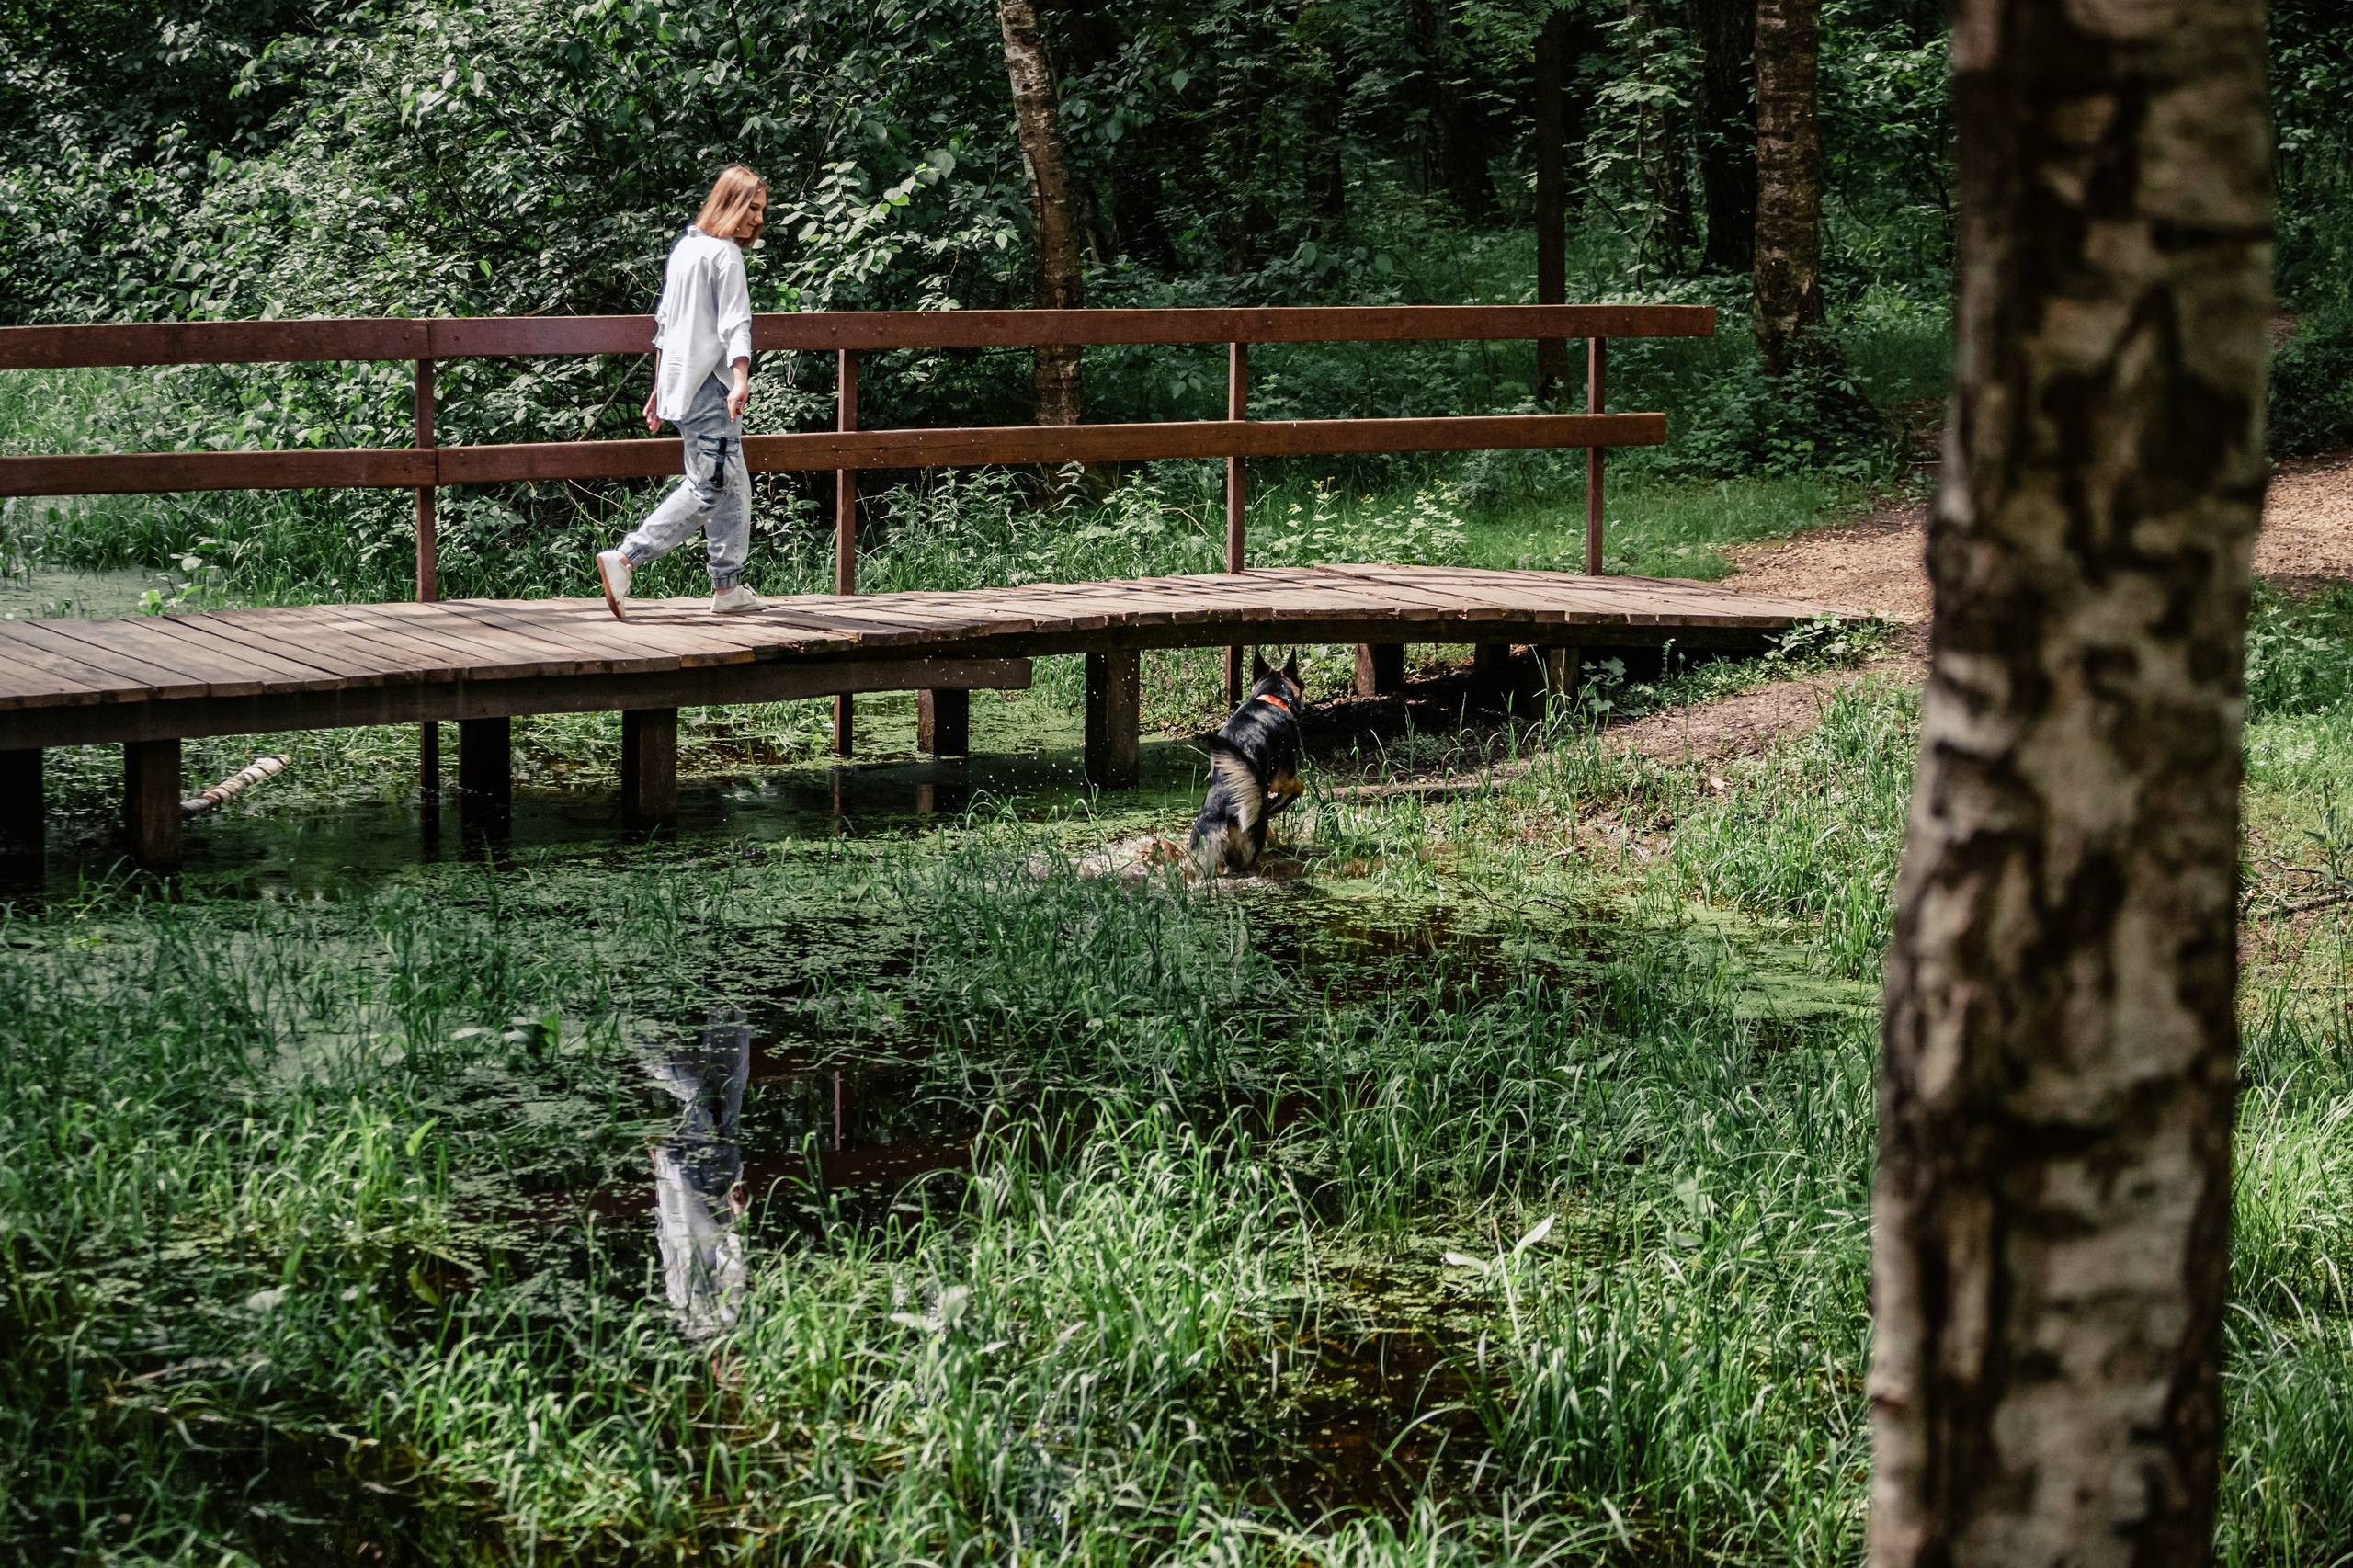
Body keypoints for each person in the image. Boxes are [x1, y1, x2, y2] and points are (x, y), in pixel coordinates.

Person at [596, 165, 769, 619]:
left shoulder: (687, 248)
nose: (758, 219)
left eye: (762, 211)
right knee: (710, 486)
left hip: (685, 387)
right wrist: (741, 379)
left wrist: (659, 386)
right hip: (712, 390)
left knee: (734, 482)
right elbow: (736, 324)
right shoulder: (723, 254)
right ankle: (626, 557)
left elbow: (665, 328)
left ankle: (728, 588)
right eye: (752, 208)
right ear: (730, 203)